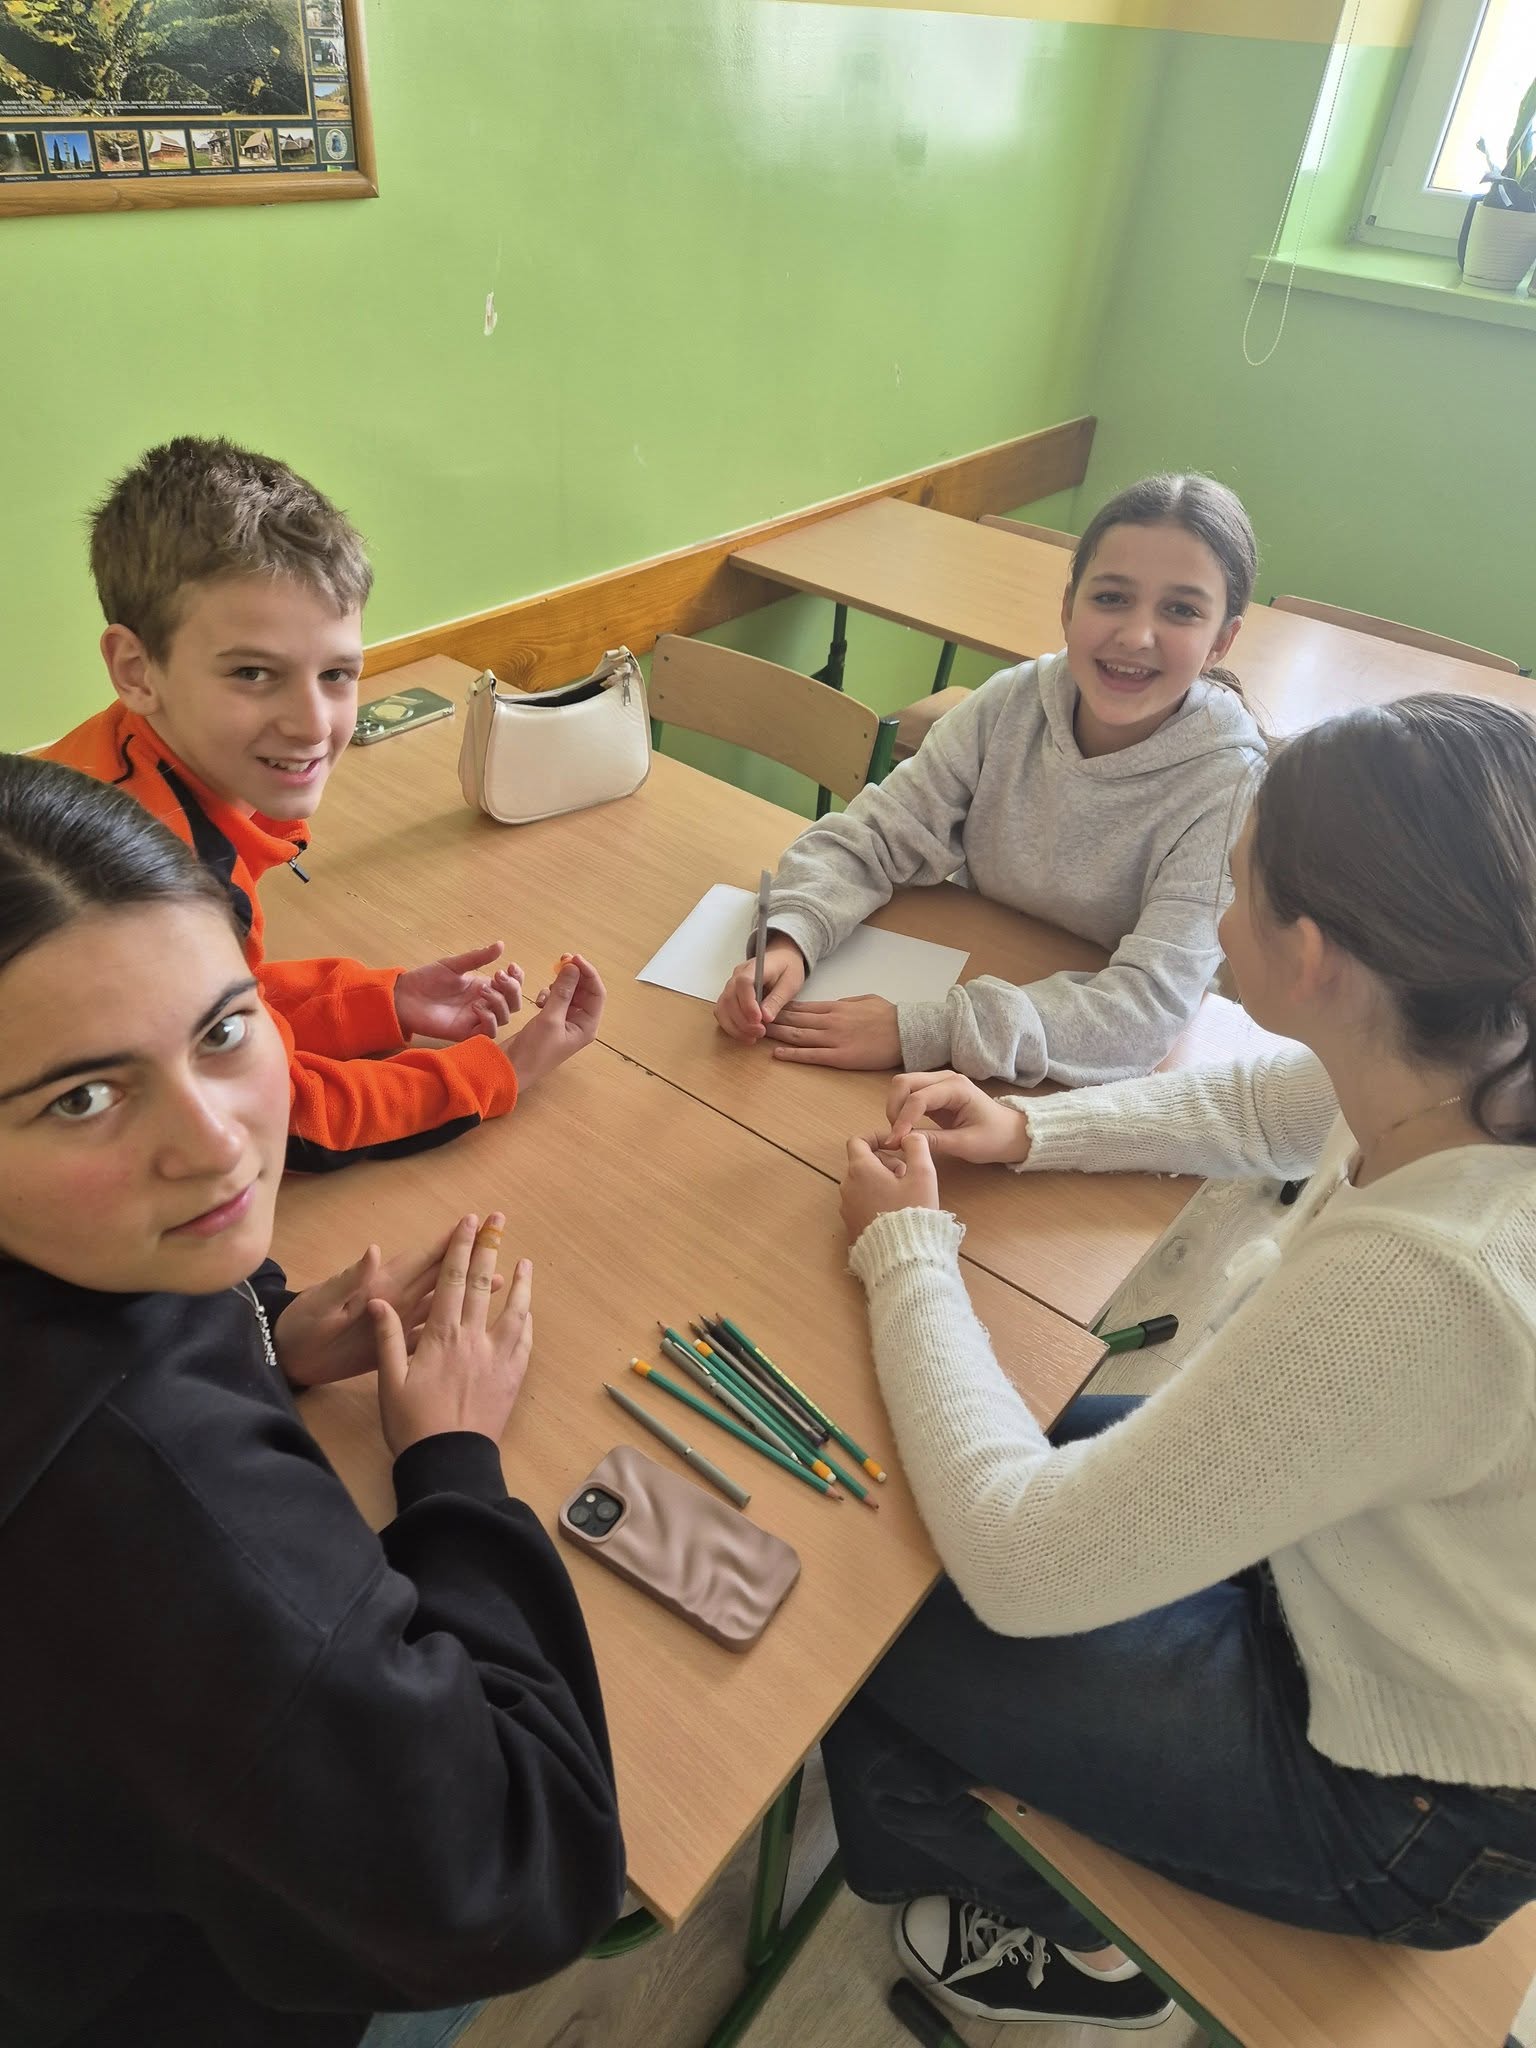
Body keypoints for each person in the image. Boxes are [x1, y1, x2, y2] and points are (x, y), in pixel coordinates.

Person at [822, 693, 1536, 2030]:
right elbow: (1265, 1104)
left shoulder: (1428, 1281)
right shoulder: (1471, 1055)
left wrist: (908, 1250)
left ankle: (1072, 1943)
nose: (1217, 905)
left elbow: (1024, 1563)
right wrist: (1031, 1132)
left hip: (1404, 1800)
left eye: (1235, 879)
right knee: (919, 1492)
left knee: (856, 1615)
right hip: (1351, 1581)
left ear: (1310, 957)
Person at [0, 754, 625, 2046]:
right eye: (83, 1096)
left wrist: (263, 1330)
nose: (219, 1141)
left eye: (225, 1030)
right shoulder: (163, 1512)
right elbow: (526, 1868)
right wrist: (453, 1460)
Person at [44, 436, 601, 1172]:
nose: (312, 724)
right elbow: (280, 1114)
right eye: (253, 673)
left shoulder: (123, 757)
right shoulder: (146, 889)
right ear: (136, 669)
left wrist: (383, 1002)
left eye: (337, 674)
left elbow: (213, 1007)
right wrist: (506, 1069)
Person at [715, 473, 1265, 1086]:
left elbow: (1146, 1010)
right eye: (1111, 597)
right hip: (984, 985)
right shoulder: (1010, 704)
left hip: (1068, 1072)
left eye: (1182, 610)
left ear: (1222, 640)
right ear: (1068, 606)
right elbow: (876, 833)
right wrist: (794, 932)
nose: (1136, 636)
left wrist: (924, 1031)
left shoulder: (1228, 786)